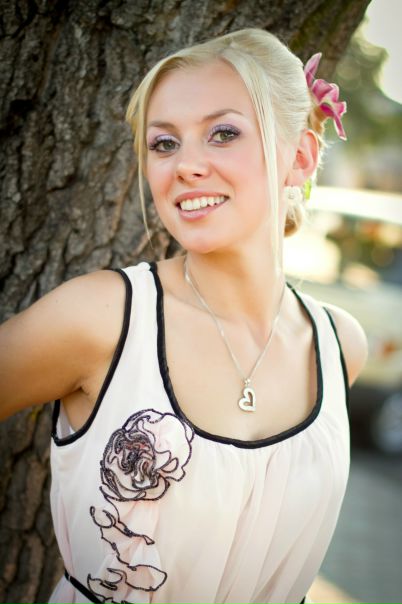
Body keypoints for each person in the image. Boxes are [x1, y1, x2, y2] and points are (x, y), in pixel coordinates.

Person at [0, 28, 367, 604]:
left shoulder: (340, 345)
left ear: (299, 157)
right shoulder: (103, 319)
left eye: (224, 133)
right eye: (164, 143)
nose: (187, 165)